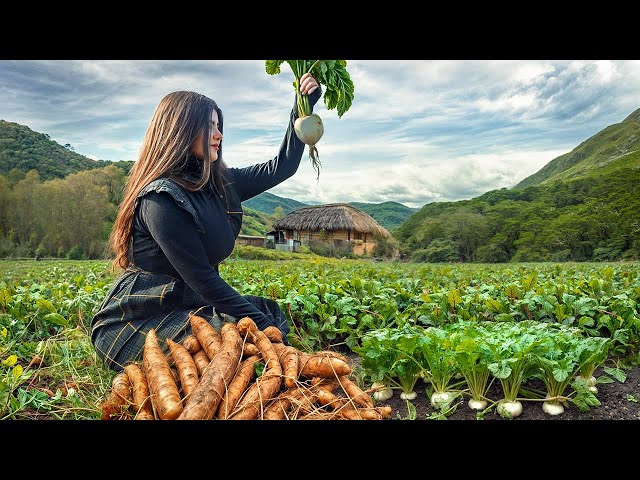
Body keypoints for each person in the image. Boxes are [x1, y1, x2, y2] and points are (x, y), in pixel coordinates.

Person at [91, 73, 321, 372]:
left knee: (269, 312)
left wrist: (302, 107)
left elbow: (283, 166)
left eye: (218, 125)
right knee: (234, 341)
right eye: (209, 126)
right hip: (139, 315)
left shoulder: (221, 182)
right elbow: (203, 278)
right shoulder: (161, 199)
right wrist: (263, 329)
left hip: (189, 303)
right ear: (181, 131)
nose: (219, 134)